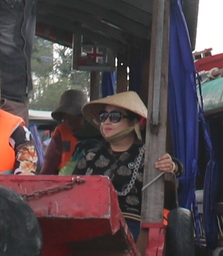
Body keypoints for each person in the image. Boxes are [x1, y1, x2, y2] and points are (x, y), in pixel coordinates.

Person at [66, 90, 177, 225]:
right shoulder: (91, 155)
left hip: (134, 224)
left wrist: (172, 166)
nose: (106, 122)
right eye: (103, 116)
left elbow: (177, 170)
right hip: (93, 223)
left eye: (114, 116)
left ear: (133, 122)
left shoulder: (148, 155)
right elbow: (72, 191)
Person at [43, 87, 89, 173]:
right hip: (65, 180)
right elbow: (50, 161)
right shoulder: (61, 131)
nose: (67, 120)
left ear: (83, 115)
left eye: (71, 115)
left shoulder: (98, 131)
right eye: (64, 116)